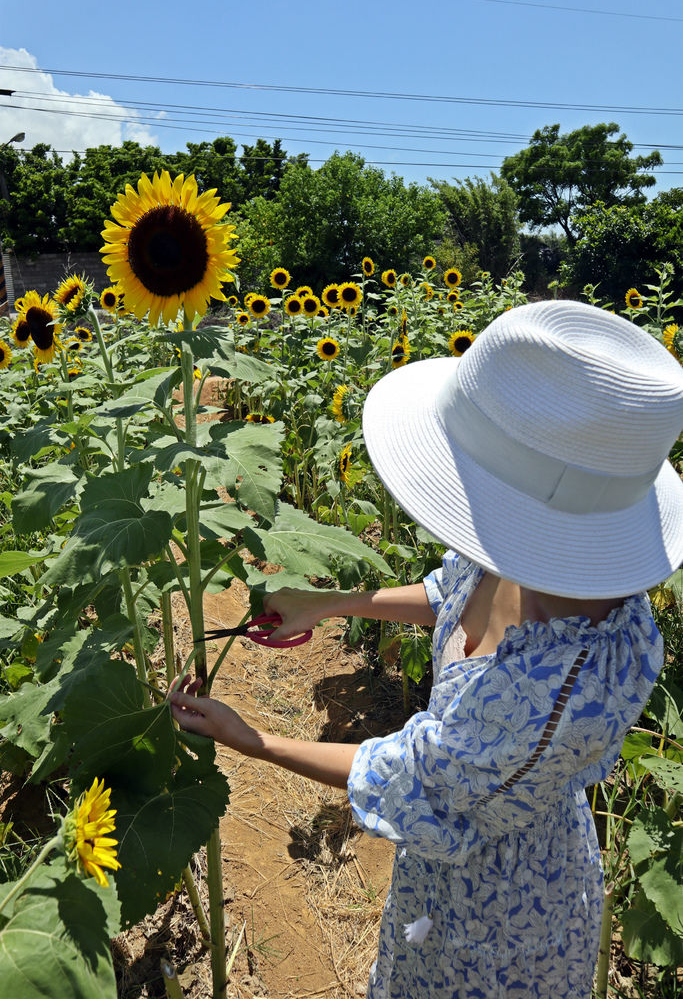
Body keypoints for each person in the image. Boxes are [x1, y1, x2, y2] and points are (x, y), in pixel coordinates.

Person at [170, 299, 683, 998]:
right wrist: (332, 602)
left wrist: (252, 740)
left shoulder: (564, 692)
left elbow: (415, 775)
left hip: (507, 909)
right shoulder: (526, 550)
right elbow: (451, 591)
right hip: (441, 869)